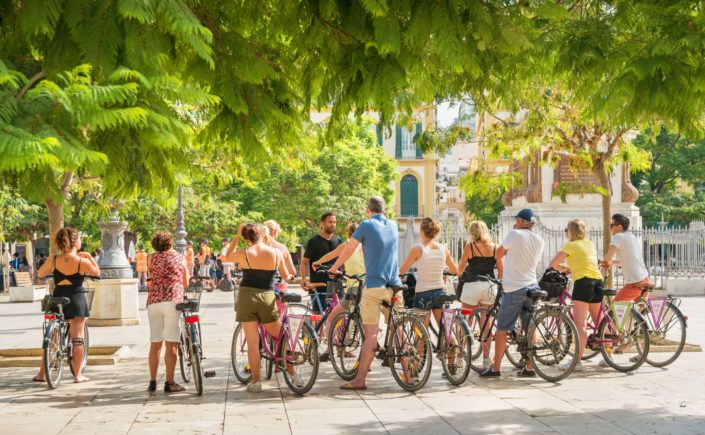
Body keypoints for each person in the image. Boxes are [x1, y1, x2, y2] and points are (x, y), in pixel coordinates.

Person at [329, 196, 404, 390]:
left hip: (374, 285)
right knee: (399, 329)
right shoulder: (394, 225)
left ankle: (360, 380)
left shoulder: (365, 225)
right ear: (384, 210)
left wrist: (334, 268)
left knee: (371, 334)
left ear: (367, 209)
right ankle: (410, 376)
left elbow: (347, 251)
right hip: (395, 285)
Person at [229, 223, 294, 392]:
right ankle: (293, 373)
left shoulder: (244, 253)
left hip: (246, 297)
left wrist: (236, 236)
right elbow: (287, 275)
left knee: (252, 342)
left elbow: (226, 257)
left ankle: (256, 382)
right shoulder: (276, 253)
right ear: (262, 235)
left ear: (246, 238)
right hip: (267, 296)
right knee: (280, 336)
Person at [480, 208, 544, 378]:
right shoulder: (539, 240)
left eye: (517, 220)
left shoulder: (515, 234)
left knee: (502, 328)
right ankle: (530, 367)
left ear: (522, 222)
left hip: (515, 287)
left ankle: (496, 368)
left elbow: (499, 253)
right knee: (529, 327)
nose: (515, 223)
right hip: (533, 286)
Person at [34, 228, 100, 383]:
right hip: (76, 299)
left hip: (57, 298)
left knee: (53, 339)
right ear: (75, 242)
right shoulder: (81, 261)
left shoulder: (53, 259)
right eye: (80, 239)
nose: (81, 242)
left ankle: (42, 374)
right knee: (78, 338)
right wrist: (90, 256)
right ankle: (78, 375)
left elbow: (40, 274)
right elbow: (97, 273)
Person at [549, 219, 603, 371]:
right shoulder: (590, 244)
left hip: (583, 283)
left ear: (570, 231)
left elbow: (552, 264)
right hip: (598, 281)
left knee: (580, 326)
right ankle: (609, 357)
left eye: (567, 230)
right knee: (599, 322)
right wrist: (572, 268)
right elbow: (585, 261)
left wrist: (564, 268)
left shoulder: (570, 245)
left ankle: (576, 362)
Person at [312, 222, 366, 361]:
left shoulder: (346, 245)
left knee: (331, 319)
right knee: (362, 320)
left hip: (353, 288)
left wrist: (317, 262)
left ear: (349, 234)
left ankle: (329, 350)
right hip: (367, 287)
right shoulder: (366, 247)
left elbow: (330, 256)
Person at [146, 231, 190, 393]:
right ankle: (169, 382)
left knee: (155, 342)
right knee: (171, 342)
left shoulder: (152, 258)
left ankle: (152, 381)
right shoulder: (179, 258)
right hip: (173, 300)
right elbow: (185, 282)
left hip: (154, 301)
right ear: (170, 243)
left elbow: (151, 276)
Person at [457, 220, 503, 369]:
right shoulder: (495, 247)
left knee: (465, 321)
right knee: (486, 324)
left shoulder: (470, 247)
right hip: (489, 287)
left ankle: (460, 356)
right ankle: (485, 359)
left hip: (472, 286)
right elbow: (501, 270)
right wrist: (499, 283)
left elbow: (460, 268)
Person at [399, 217, 458, 328]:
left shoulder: (417, 249)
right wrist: (442, 270)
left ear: (421, 230)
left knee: (421, 335)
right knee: (444, 329)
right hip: (440, 291)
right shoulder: (443, 248)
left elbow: (402, 271)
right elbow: (455, 270)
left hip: (423, 293)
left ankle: (422, 345)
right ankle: (452, 344)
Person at [601, 214, 650, 303]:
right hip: (644, 278)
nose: (610, 228)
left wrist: (603, 264)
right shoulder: (631, 236)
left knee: (615, 308)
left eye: (612, 225)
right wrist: (612, 262)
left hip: (635, 282)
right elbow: (628, 259)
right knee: (640, 308)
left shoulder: (619, 236)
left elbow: (607, 258)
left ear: (619, 227)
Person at [300, 212, 343, 313]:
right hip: (318, 286)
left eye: (334, 222)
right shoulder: (313, 242)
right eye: (330, 222)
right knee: (319, 317)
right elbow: (304, 262)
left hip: (335, 284)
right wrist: (303, 279)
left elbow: (342, 262)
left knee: (337, 318)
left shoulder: (339, 241)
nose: (333, 224)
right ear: (322, 224)